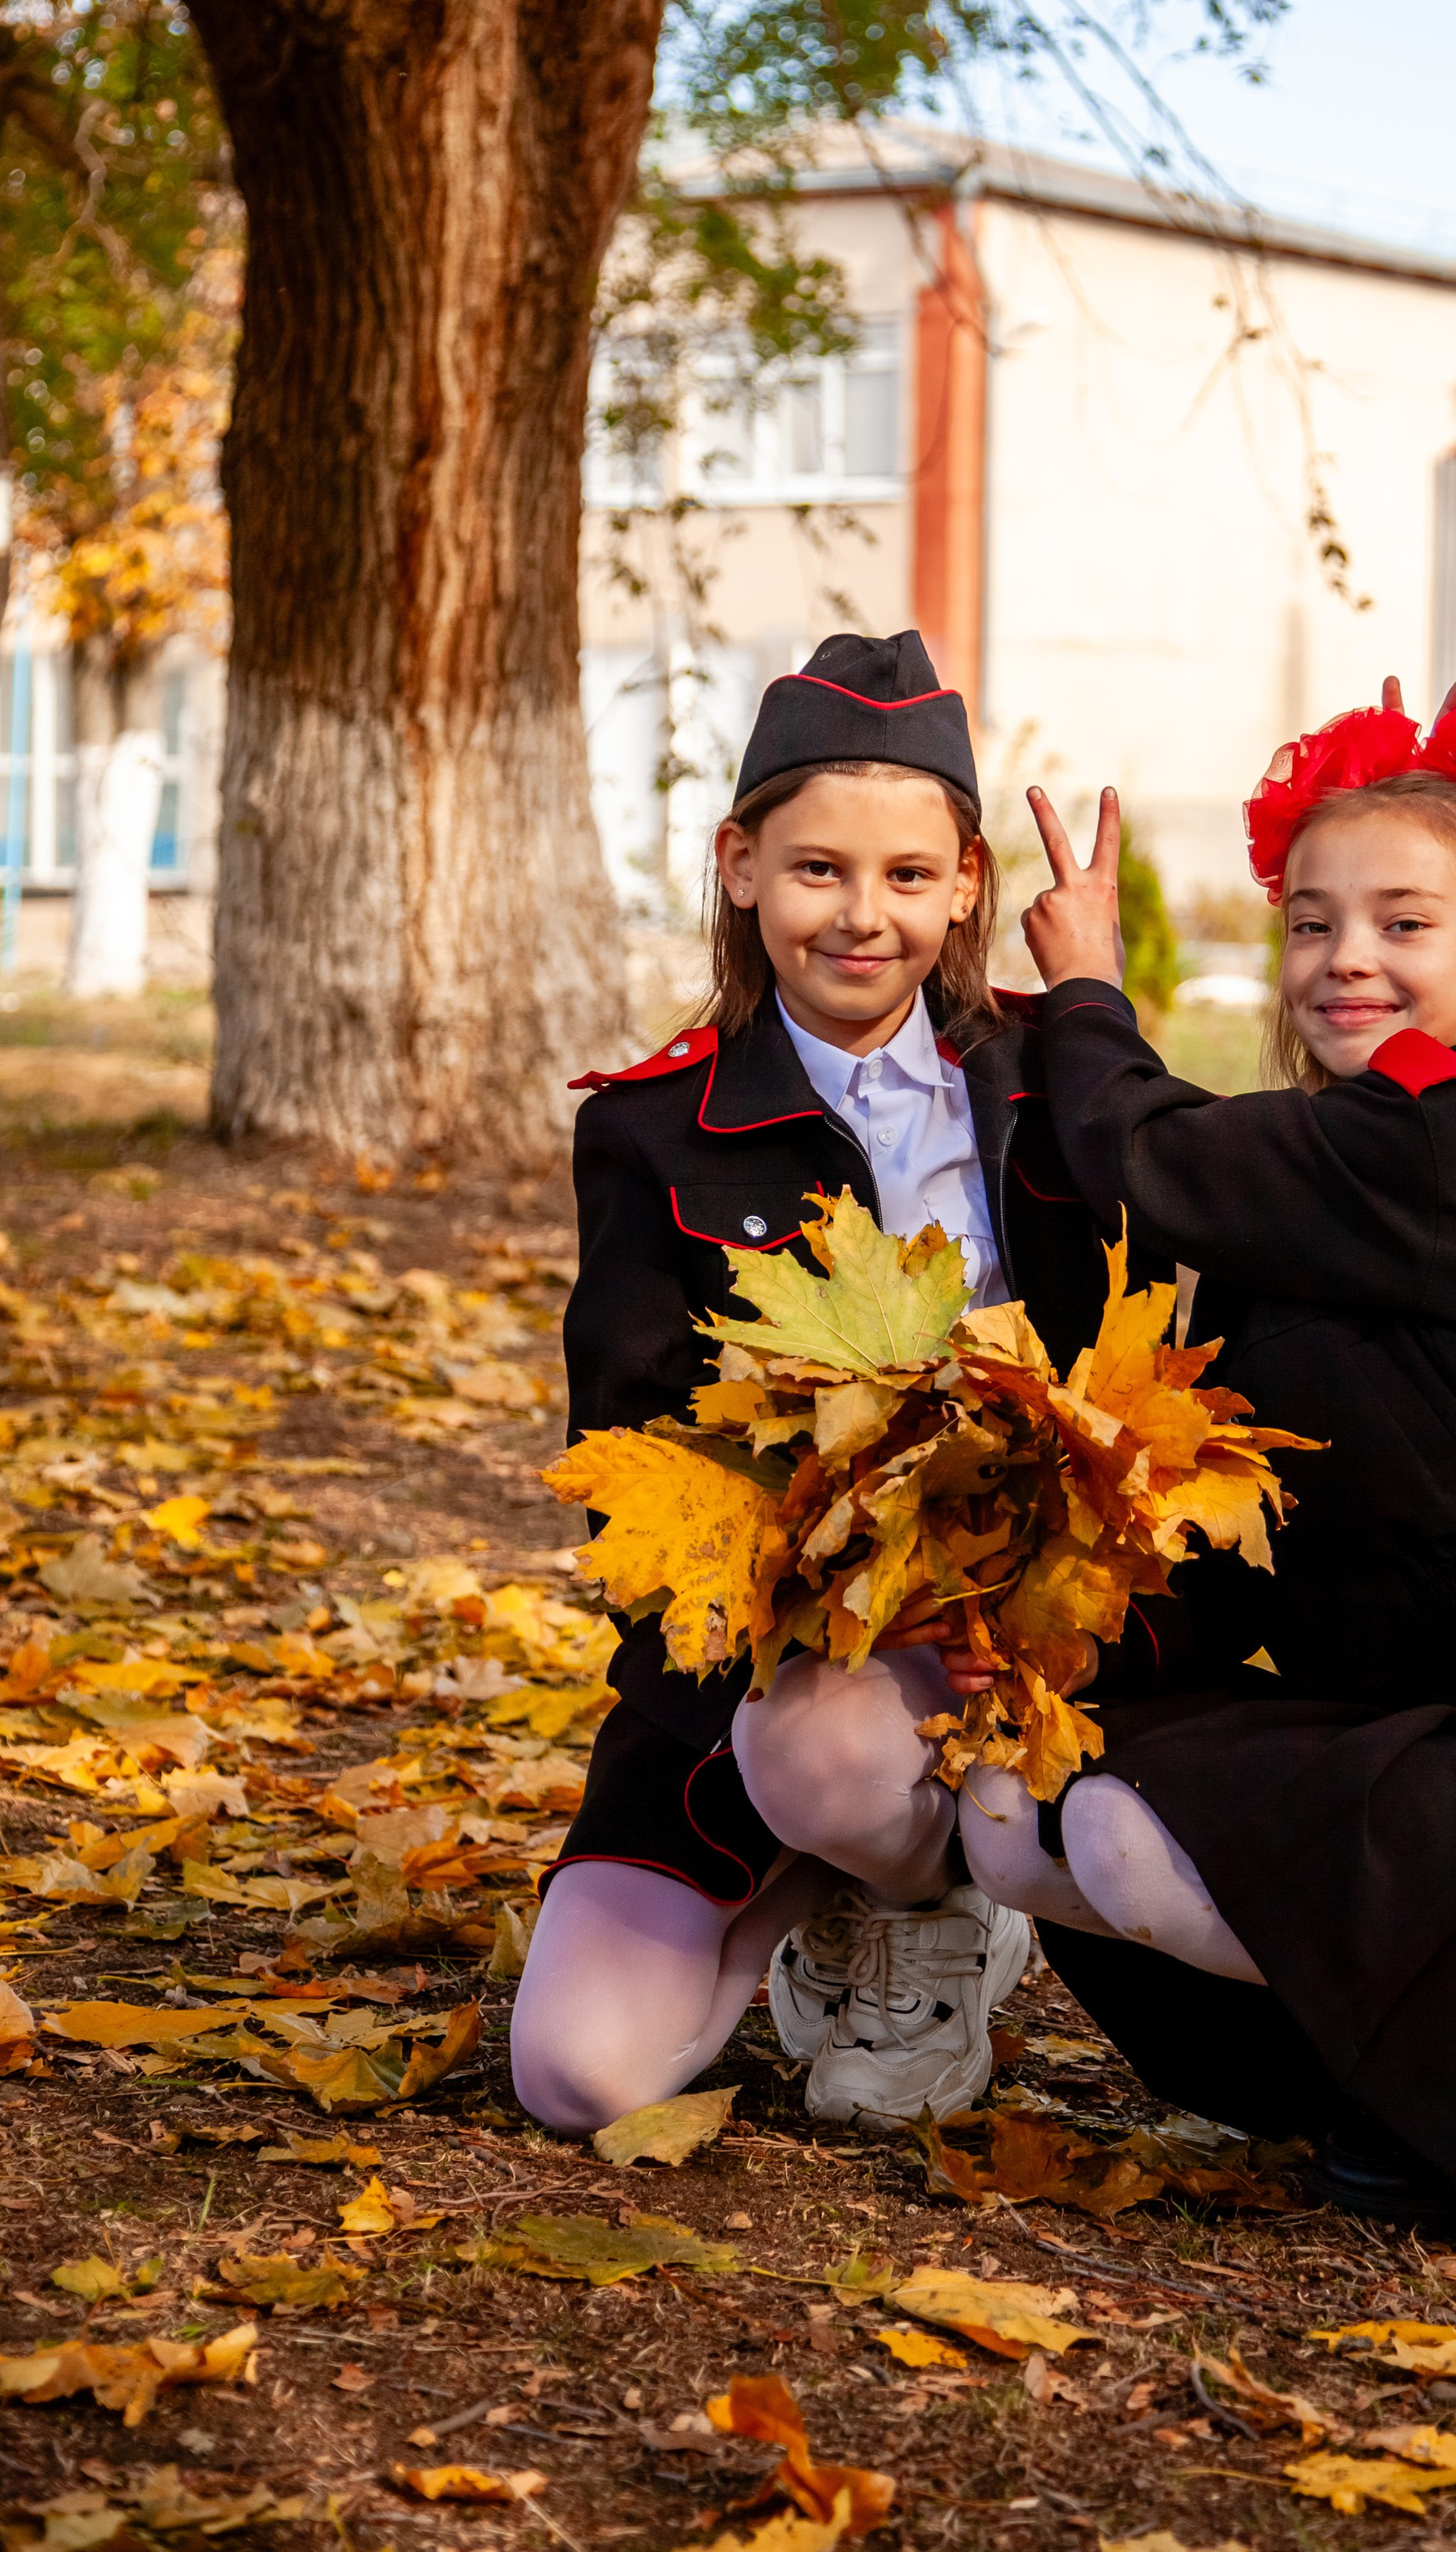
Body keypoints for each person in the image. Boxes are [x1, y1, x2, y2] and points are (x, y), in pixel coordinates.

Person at [953, 679, 1456, 2237]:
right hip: (1391, 1718)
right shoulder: (1338, 1164)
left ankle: (1451, 2081)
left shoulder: (1448, 1141)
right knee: (1012, 1804)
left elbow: (1150, 1152)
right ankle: (1360, 2074)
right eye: (1311, 925)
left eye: (1401, 924)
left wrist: (1089, 986)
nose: (1346, 959)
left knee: (1119, 1822)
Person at [511, 629, 1127, 2138]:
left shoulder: (1059, 1077)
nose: (863, 917)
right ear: (738, 866)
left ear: (967, 883)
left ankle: (932, 1909)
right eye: (816, 870)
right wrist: (801, 1609)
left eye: (909, 877)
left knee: (835, 1758)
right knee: (576, 2075)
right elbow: (630, 1458)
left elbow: (1160, 1330)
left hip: (1026, 1641)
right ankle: (856, 1866)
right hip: (771, 1657)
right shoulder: (655, 1131)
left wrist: (1099, 989)